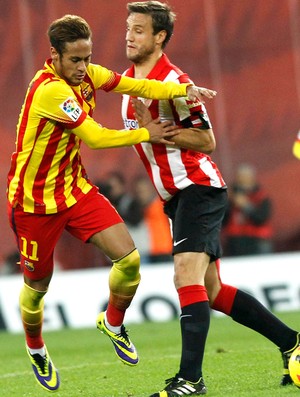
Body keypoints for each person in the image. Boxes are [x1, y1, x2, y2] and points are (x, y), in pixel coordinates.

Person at [6, 14, 217, 392]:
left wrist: (181, 90)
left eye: (87, 58)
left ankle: (113, 321)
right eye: (75, 60)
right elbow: (97, 138)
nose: (84, 67)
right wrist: (144, 132)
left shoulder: (85, 75)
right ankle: (35, 346)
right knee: (37, 288)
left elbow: (132, 83)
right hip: (34, 203)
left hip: (74, 190)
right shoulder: (49, 90)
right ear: (54, 56)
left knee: (129, 260)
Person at [121, 2, 300, 396]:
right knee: (213, 291)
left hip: (197, 189)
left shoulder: (176, 83)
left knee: (184, 276)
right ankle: (292, 342)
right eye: (128, 28)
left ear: (160, 37)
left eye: (138, 30)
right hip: (175, 197)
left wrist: (160, 134)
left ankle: (190, 380)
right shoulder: (127, 83)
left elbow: (208, 141)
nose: (129, 36)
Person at [222, 163, 273, 256]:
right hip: (235, 241)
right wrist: (229, 203)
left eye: (246, 177)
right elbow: (223, 220)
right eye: (241, 177)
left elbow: (261, 218)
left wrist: (246, 206)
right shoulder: (229, 195)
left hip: (257, 240)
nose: (243, 180)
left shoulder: (261, 196)